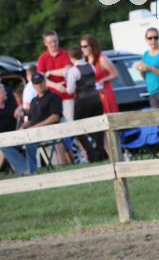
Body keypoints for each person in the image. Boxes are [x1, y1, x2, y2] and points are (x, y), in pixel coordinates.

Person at [0, 72, 63, 176]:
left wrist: (35, 127)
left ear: (45, 82)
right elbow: (31, 120)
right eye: (36, 83)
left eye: (41, 82)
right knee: (5, 144)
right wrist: (23, 126)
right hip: (32, 132)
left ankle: (31, 170)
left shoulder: (54, 97)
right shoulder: (34, 101)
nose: (39, 85)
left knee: (30, 139)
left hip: (48, 131)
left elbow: (55, 117)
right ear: (33, 85)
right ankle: (24, 170)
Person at [36, 31, 73, 165]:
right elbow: (41, 79)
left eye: (55, 41)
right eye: (50, 42)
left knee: (71, 128)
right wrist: (56, 85)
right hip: (52, 100)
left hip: (67, 97)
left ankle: (75, 158)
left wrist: (50, 73)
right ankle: (61, 161)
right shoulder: (42, 58)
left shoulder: (65, 54)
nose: (53, 44)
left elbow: (67, 71)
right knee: (56, 130)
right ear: (45, 44)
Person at [65, 46, 105, 162]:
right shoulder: (91, 66)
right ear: (82, 55)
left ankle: (91, 153)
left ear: (71, 58)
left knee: (78, 127)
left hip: (82, 100)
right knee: (98, 126)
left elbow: (70, 90)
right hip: (96, 99)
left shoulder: (73, 71)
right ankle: (101, 152)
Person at [82, 35, 120, 114]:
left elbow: (115, 74)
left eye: (85, 46)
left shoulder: (102, 59)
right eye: (81, 46)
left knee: (108, 116)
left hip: (104, 92)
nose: (82, 49)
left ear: (92, 46)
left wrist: (103, 80)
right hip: (91, 94)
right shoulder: (84, 61)